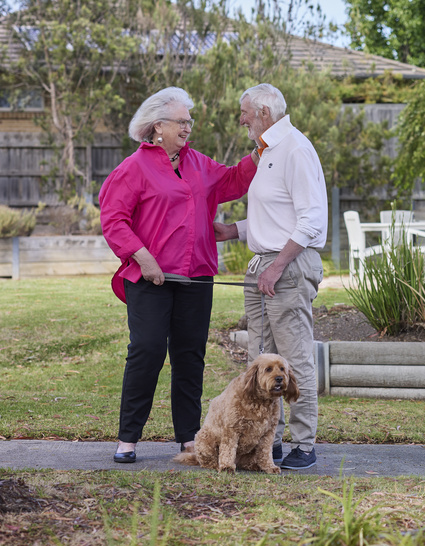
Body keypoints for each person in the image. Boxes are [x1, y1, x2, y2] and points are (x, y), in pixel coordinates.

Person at [99, 87, 257, 464]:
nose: (188, 128)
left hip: (196, 275)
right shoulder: (133, 168)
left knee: (190, 355)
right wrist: (143, 257)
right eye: (182, 122)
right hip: (150, 278)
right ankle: (128, 438)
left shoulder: (199, 164)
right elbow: (113, 219)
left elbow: (233, 181)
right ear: (158, 126)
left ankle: (189, 437)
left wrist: (261, 151)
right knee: (147, 351)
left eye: (189, 121)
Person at [214, 83, 327, 471]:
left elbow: (311, 219)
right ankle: (269, 444)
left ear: (264, 112)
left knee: (293, 359)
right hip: (263, 267)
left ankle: (304, 445)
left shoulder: (295, 149)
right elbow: (278, 216)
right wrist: (233, 230)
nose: (240, 119)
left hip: (286, 269)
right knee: (260, 359)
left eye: (244, 112)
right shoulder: (267, 153)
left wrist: (277, 266)